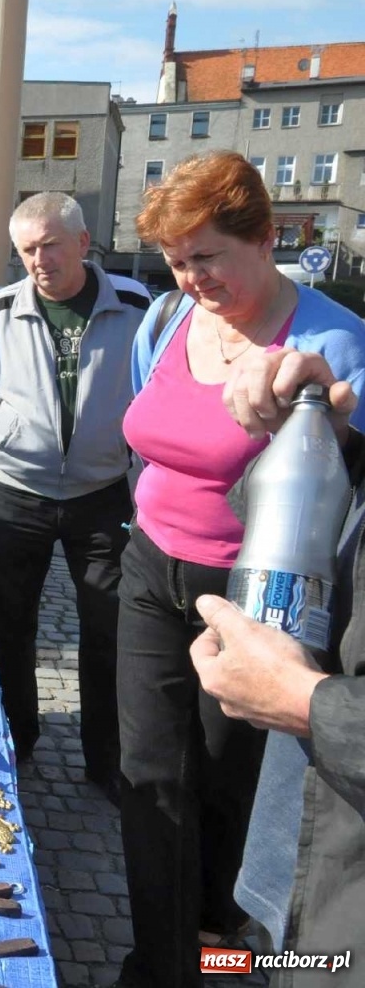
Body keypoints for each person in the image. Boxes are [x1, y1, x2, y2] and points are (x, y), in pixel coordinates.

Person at [112, 152, 365, 987]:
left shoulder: (331, 341)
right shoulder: (165, 321)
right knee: (150, 779)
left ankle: (218, 960)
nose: (190, 278)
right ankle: (157, 965)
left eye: (207, 257)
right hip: (151, 568)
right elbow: (150, 428)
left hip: (256, 602)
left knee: (228, 799)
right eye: (177, 262)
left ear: (264, 238)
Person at [0, 191, 150, 804]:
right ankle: (18, 737)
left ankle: (107, 760)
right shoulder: (0, 310)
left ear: (84, 244)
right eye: (27, 250)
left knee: (108, 627)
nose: (39, 259)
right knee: (8, 621)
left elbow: (164, 394)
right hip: (17, 493)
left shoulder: (139, 307)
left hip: (103, 493)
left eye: (50, 245)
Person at [193, 349, 364, 986]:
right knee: (276, 959)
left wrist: (307, 702)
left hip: (350, 915)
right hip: (309, 839)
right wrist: (332, 445)